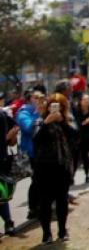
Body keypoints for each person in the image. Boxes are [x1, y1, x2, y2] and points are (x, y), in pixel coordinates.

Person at [33, 93, 76, 244]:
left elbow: (75, 136)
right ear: (48, 106)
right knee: (44, 202)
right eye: (53, 105)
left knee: (61, 200)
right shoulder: (40, 121)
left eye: (59, 106)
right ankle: (46, 234)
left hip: (62, 167)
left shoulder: (68, 120)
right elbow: (36, 140)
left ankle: (62, 230)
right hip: (44, 167)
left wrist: (62, 122)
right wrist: (46, 123)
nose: (56, 109)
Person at [18, 90, 42, 220]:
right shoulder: (23, 113)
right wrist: (38, 113)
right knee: (36, 181)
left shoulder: (39, 111)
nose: (38, 100)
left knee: (41, 180)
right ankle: (33, 208)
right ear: (29, 100)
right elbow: (28, 128)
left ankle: (40, 206)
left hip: (42, 151)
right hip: (32, 153)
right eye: (36, 98)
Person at [0, 96, 19, 234]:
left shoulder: (2, 115)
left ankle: (8, 222)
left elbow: (15, 126)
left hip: (1, 160)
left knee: (2, 194)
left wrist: (11, 138)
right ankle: (8, 222)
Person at [73, 93, 89, 183]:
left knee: (85, 156)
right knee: (75, 157)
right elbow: (75, 124)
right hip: (76, 137)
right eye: (84, 100)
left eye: (88, 100)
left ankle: (87, 175)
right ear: (80, 101)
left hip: (87, 137)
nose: (86, 101)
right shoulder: (76, 111)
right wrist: (84, 123)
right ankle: (72, 176)